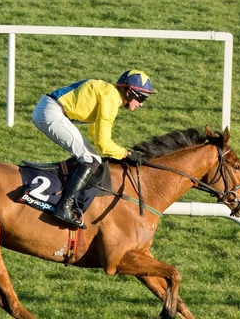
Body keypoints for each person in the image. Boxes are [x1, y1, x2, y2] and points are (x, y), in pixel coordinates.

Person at [31, 69, 155, 229]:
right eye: (142, 97)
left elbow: (95, 134)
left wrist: (120, 153)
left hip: (49, 109)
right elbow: (103, 143)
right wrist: (127, 154)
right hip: (51, 112)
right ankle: (64, 207)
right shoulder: (110, 98)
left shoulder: (108, 93)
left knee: (90, 157)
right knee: (91, 159)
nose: (142, 103)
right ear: (130, 92)